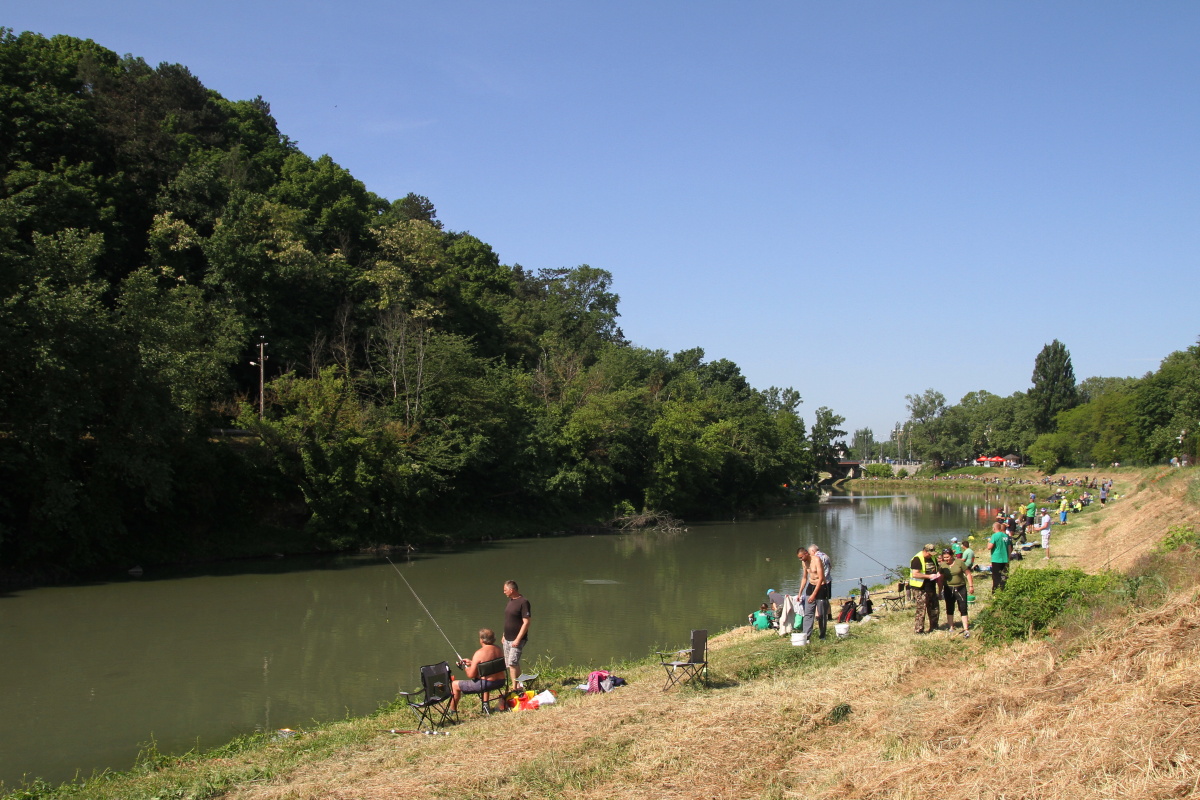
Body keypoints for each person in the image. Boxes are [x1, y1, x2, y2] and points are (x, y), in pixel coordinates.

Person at [449, 628, 506, 713]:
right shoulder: (499, 649)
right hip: (500, 682)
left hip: (486, 684)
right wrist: (472, 663)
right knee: (485, 676)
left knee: (454, 684)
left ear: (482, 640)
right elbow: (490, 665)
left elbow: (471, 675)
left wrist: (466, 668)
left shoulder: (479, 653)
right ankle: (485, 705)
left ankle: (452, 711)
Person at [937, 548, 974, 638]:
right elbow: (940, 579)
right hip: (948, 588)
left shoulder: (959, 563)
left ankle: (965, 628)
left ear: (952, 556)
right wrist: (940, 591)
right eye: (944, 557)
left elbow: (968, 574)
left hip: (960, 587)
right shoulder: (942, 566)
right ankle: (951, 627)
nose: (946, 559)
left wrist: (971, 586)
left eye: (948, 557)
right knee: (949, 607)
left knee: (963, 607)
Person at [796, 545, 829, 641]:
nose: (801, 559)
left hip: (821, 586)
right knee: (808, 613)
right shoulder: (804, 562)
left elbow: (821, 578)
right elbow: (804, 578)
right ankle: (806, 636)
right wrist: (799, 593)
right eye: (799, 558)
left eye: (801, 557)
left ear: (806, 553)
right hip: (811, 586)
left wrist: (814, 595)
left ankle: (822, 636)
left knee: (821, 614)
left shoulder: (817, 560)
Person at [501, 580, 531, 688]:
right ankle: (519, 684)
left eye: (505, 590)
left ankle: (514, 688)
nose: (504, 592)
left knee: (512, 663)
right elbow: (509, 619)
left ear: (511, 590)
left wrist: (518, 639)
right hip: (507, 638)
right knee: (510, 664)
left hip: (517, 639)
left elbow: (526, 622)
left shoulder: (523, 602)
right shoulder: (510, 601)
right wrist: (504, 635)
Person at [909, 543, 941, 634]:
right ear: (925, 551)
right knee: (921, 609)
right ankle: (919, 630)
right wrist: (929, 576)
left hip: (931, 587)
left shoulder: (933, 558)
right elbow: (915, 574)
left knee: (934, 608)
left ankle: (934, 627)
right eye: (929, 553)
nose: (931, 555)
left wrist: (937, 574)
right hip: (920, 588)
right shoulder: (917, 559)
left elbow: (936, 568)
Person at [987, 524, 1011, 592]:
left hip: (996, 559)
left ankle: (995, 591)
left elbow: (989, 547)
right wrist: (1009, 558)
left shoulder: (994, 536)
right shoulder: (1005, 536)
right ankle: (1003, 589)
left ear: (994, 528)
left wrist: (989, 541)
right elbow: (1009, 548)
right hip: (1005, 558)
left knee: (996, 576)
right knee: (1004, 576)